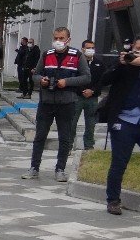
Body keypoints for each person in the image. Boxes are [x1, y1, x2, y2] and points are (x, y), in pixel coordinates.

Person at [21, 27, 90, 182]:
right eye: (56, 38)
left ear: (68, 39)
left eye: (62, 38)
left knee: (65, 137)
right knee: (40, 136)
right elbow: (35, 75)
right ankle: (34, 167)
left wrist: (67, 82)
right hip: (46, 102)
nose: (58, 41)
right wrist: (42, 80)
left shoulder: (77, 55)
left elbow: (86, 77)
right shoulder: (46, 54)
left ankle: (60, 169)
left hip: (67, 102)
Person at [100, 33, 140, 215]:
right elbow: (104, 79)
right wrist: (120, 64)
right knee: (119, 163)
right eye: (138, 48)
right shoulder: (124, 63)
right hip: (124, 122)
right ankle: (113, 200)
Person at [72, 39, 104, 150]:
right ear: (82, 49)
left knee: (91, 124)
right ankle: (69, 144)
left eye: (92, 48)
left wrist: (93, 91)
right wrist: (82, 91)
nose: (90, 50)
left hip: (92, 98)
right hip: (77, 97)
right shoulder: (76, 62)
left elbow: (102, 80)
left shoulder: (99, 63)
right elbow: (73, 78)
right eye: (88, 48)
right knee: (72, 121)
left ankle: (89, 145)